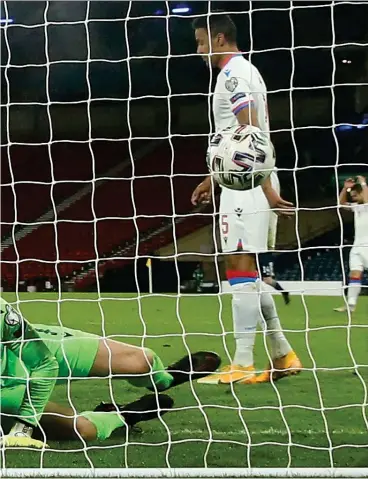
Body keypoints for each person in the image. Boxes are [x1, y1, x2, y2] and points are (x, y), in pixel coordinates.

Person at [191, 14, 301, 385]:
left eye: (201, 42)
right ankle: (283, 353)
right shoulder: (246, 71)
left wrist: (266, 190)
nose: (198, 51)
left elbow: (249, 131)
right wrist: (212, 179)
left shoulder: (234, 75)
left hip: (248, 185)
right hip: (246, 181)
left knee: (238, 269)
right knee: (247, 273)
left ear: (220, 38)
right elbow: (239, 138)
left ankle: (242, 362)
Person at [0, 298, 220, 448]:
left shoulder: (2, 312)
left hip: (22, 347)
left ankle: (165, 379)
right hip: (3, 391)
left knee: (141, 361)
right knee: (83, 429)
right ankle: (123, 415)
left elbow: (45, 363)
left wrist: (24, 427)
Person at [334, 176, 368, 313]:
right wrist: (345, 188)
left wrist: (363, 182)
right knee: (354, 274)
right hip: (357, 248)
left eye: (355, 194)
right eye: (352, 195)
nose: (353, 197)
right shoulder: (356, 208)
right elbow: (340, 204)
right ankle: (351, 305)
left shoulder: (367, 206)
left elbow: (366, 198)